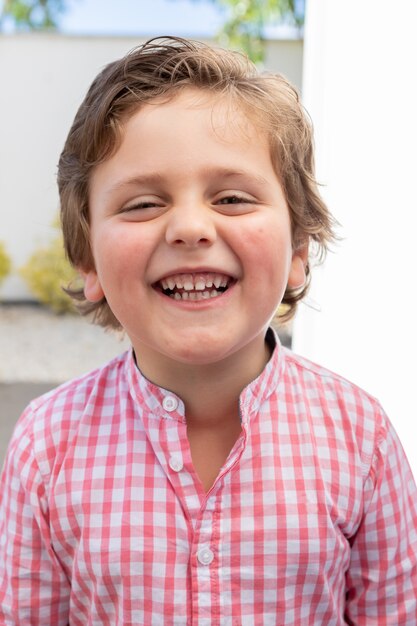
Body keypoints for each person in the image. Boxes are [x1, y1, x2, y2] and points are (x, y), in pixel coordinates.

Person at [0, 36, 416, 625]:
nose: (190, 226)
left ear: (298, 249)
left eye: (232, 197)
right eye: (143, 204)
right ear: (87, 260)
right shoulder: (46, 447)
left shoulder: (362, 438)